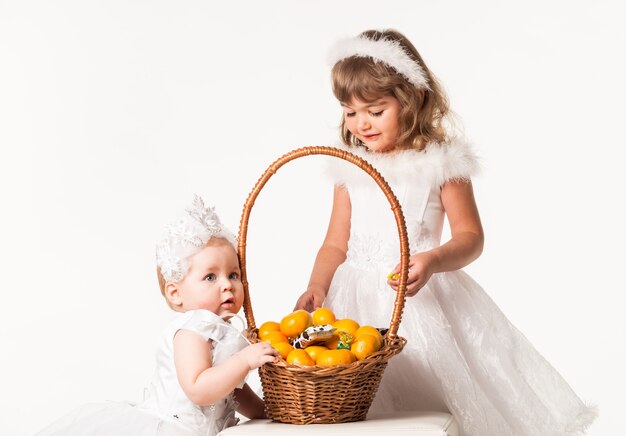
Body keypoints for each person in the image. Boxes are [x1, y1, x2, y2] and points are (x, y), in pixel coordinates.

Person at [295, 29, 596, 435]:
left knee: (430, 405)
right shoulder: (350, 168)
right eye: (350, 112)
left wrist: (433, 259)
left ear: (412, 98)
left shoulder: (440, 164)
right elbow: (335, 243)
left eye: (375, 110)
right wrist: (317, 286)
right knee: (359, 402)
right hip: (354, 303)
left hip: (419, 299)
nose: (361, 123)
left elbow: (471, 238)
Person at [37, 195, 278, 436]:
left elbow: (229, 389)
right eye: (210, 277)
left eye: (233, 275)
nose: (227, 285)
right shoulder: (191, 331)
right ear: (175, 293)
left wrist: (265, 411)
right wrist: (243, 361)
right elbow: (199, 388)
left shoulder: (222, 332)